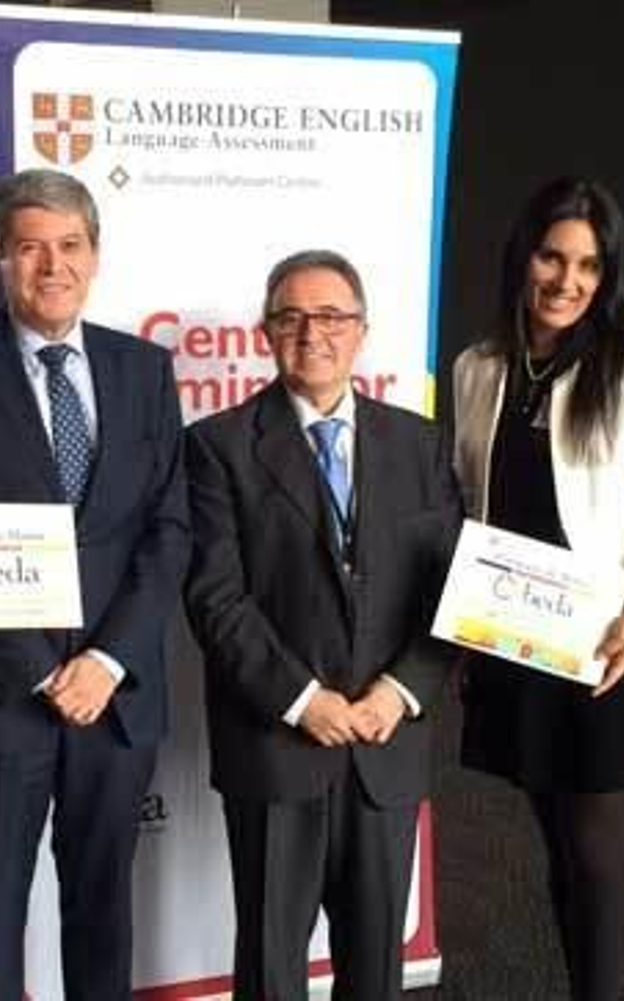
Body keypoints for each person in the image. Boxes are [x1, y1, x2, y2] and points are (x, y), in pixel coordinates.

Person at [0, 168, 190, 1001]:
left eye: (69, 245)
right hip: (0, 693)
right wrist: (37, 669)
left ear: (95, 255)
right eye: (29, 247)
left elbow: (169, 528)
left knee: (102, 907)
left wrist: (106, 661)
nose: (52, 265)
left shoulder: (144, 369)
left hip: (116, 695)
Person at [451, 177, 624, 1001]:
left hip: (609, 638)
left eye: (589, 265)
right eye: (552, 257)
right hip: (513, 631)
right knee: (557, 843)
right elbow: (471, 502)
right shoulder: (478, 365)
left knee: (598, 847)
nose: (567, 280)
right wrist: (465, 630)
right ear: (522, 256)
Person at [185, 250, 461, 1001]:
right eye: (292, 317)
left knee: (375, 967)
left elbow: (451, 595)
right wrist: (303, 699)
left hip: (385, 743)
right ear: (267, 332)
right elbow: (214, 597)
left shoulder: (421, 445)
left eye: (332, 315)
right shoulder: (216, 446)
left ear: (362, 329)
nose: (313, 333)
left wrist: (400, 691)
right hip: (277, 744)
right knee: (272, 963)